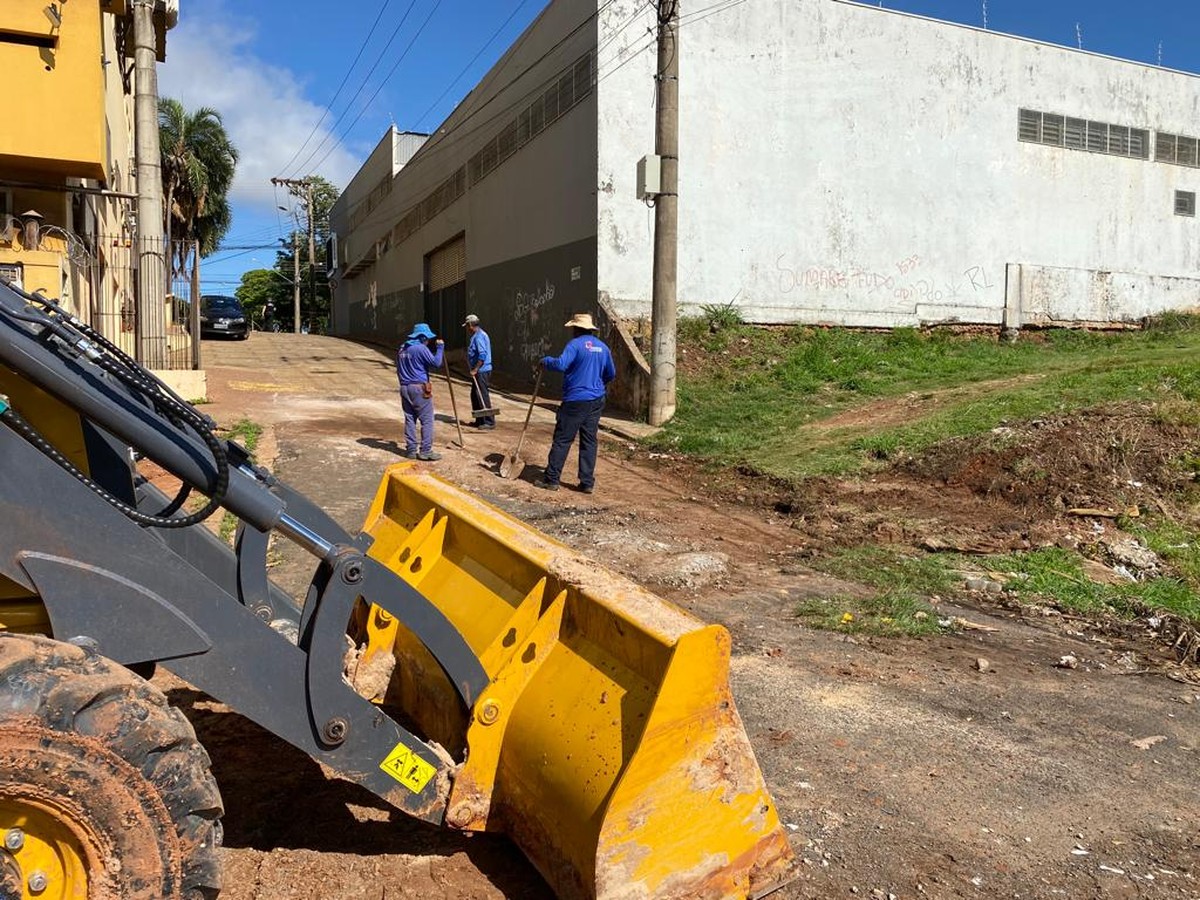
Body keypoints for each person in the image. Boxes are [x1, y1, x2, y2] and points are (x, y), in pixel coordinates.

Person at [534, 313, 616, 494]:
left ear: (577, 329)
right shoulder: (603, 348)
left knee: (562, 439)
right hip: (596, 400)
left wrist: (546, 361)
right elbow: (611, 374)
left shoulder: (575, 345)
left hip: (575, 401)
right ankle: (587, 482)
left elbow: (561, 365)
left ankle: (552, 479)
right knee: (589, 441)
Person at [395, 322, 444, 461]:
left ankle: (411, 450)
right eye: (428, 338)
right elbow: (436, 363)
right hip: (419, 388)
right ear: (422, 337)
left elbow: (398, 369)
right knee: (427, 420)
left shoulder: (402, 349)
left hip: (404, 388)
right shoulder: (420, 348)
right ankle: (425, 451)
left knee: (410, 419)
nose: (429, 341)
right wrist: (440, 348)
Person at [464, 313, 495, 429]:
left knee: (482, 394)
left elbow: (482, 355)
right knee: (475, 395)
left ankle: (489, 421)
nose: (467, 329)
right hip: (479, 371)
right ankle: (480, 419)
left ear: (471, 325)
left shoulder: (479, 337)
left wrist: (475, 369)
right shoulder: (477, 335)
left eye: (467, 326)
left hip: (482, 371)